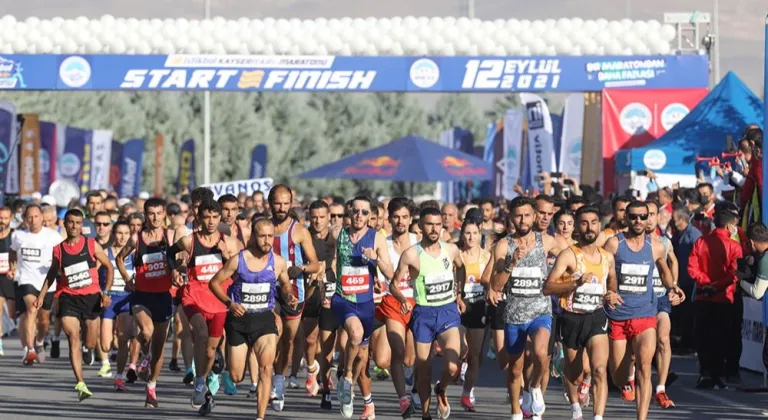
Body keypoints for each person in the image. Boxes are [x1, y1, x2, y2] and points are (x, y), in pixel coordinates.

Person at [209, 218, 297, 420]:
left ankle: (260, 417)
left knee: (266, 369)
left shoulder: (278, 262)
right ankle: (228, 360)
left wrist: (288, 295)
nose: (267, 241)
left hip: (264, 319)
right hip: (239, 320)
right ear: (254, 237)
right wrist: (229, 303)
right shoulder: (238, 260)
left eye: (270, 236)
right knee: (236, 376)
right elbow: (214, 283)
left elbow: (285, 285)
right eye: (262, 236)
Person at [603, 200, 683, 420]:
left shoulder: (656, 246)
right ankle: (625, 378)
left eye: (643, 216)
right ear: (626, 219)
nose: (638, 221)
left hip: (645, 315)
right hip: (618, 316)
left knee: (645, 368)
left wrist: (673, 286)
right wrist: (607, 292)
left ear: (649, 218)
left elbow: (665, 270)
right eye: (633, 217)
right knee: (618, 377)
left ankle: (642, 417)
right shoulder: (614, 244)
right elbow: (602, 271)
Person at [169, 199, 242, 415]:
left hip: (219, 300)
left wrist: (227, 256)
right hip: (194, 296)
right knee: (199, 332)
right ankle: (200, 383)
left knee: (211, 350)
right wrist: (174, 270)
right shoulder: (189, 241)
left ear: (220, 218)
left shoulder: (230, 242)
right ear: (199, 218)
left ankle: (202, 378)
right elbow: (169, 253)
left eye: (215, 217)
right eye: (206, 217)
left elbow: (240, 272)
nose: (211, 222)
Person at [390, 206, 464, 420]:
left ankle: (441, 389)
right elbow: (394, 284)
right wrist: (403, 299)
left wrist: (459, 294)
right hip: (423, 314)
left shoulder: (450, 250)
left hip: (448, 311)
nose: (434, 229)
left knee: (452, 366)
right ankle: (425, 414)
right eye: (429, 224)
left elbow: (460, 268)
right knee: (423, 368)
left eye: (438, 224)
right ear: (421, 226)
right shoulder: (411, 254)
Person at [489, 197, 558, 420]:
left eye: (527, 215)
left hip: (540, 311)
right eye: (518, 215)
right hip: (514, 315)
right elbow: (497, 284)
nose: (523, 219)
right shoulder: (503, 245)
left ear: (534, 216)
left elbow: (572, 256)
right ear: (511, 218)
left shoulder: (546, 241)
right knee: (515, 369)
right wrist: (511, 263)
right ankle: (516, 412)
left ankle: (535, 388)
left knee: (540, 353)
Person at [543, 206, 613, 420]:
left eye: (593, 222)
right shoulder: (568, 255)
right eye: (584, 223)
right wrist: (575, 283)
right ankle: (574, 402)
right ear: (577, 227)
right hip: (571, 318)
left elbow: (612, 283)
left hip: (596, 317)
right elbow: (548, 287)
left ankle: (598, 417)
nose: (589, 227)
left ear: (599, 226)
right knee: (574, 374)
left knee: (600, 370)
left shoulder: (607, 257)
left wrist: (612, 294)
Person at [36, 209, 113, 401]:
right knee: (72, 337)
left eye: (78, 223)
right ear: (65, 224)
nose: (74, 226)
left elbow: (109, 267)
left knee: (89, 340)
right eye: (71, 222)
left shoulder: (91, 244)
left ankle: (88, 350)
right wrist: (41, 296)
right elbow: (52, 274)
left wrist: (106, 293)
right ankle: (80, 382)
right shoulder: (59, 250)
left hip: (91, 298)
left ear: (82, 225)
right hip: (68, 297)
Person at [331, 195, 393, 419]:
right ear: (349, 212)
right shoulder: (338, 233)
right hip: (342, 299)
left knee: (362, 357)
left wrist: (375, 259)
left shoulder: (377, 238)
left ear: (370, 216)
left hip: (366, 303)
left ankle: (350, 389)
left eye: (364, 212)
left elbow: (389, 273)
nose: (359, 215)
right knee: (355, 335)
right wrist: (328, 270)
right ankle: (346, 379)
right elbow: (330, 256)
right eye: (355, 211)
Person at [116, 198, 178, 408]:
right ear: (145, 215)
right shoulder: (137, 238)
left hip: (163, 295)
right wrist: (127, 279)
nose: (155, 218)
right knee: (147, 331)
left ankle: (151, 386)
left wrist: (178, 270)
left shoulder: (169, 236)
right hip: (142, 295)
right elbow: (118, 258)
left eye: (159, 213)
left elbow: (182, 256)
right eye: (150, 213)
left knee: (159, 350)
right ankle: (143, 355)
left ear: (164, 215)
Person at [267, 184, 320, 411]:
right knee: (273, 334)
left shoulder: (299, 230)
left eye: (286, 203)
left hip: (294, 293)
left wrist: (301, 269)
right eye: (278, 203)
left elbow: (315, 263)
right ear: (270, 203)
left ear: (291, 203)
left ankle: (279, 380)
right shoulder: (263, 227)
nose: (282, 207)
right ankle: (268, 378)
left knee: (287, 339)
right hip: (268, 290)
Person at [373, 197, 420, 417]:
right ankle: (403, 398)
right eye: (396, 217)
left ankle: (414, 386)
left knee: (411, 359)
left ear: (410, 219)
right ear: (389, 219)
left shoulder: (418, 241)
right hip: (393, 301)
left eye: (404, 217)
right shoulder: (383, 242)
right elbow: (384, 273)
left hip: (417, 302)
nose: (400, 221)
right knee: (398, 351)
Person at [688, 207, 743, 389]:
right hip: (723, 298)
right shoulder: (734, 246)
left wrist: (705, 282)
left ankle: (705, 373)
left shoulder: (701, 241)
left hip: (703, 297)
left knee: (703, 338)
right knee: (722, 337)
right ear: (729, 225)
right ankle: (718, 375)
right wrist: (717, 285)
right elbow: (734, 273)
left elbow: (692, 268)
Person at [11, 204, 63, 365]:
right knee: (31, 309)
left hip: (47, 283)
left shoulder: (53, 236)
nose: (33, 220)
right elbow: (13, 251)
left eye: (36, 216)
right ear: (25, 219)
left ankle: (40, 341)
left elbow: (62, 255)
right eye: (30, 217)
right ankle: (30, 349)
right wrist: (13, 267)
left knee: (44, 320)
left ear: (42, 217)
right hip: (26, 280)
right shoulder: (19, 235)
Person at [646, 200, 679, 408]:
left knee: (664, 338)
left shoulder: (665, 242)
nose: (647, 219)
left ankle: (661, 388)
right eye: (644, 214)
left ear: (658, 217)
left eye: (651, 214)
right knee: (637, 347)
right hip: (636, 299)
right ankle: (630, 379)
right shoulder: (625, 241)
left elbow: (673, 261)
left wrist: (673, 287)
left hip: (659, 298)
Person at [457, 215, 491, 412]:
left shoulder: (486, 256)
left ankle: (467, 393)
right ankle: (453, 370)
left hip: (479, 306)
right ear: (462, 235)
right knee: (461, 349)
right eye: (467, 233)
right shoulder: (456, 254)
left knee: (474, 356)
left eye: (474, 233)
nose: (471, 237)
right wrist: (457, 298)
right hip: (458, 306)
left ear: (480, 235)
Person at [100, 220, 135, 392]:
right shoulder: (105, 252)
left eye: (126, 233)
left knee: (124, 339)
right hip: (110, 299)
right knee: (106, 345)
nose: (123, 237)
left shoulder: (134, 254)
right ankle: (112, 342)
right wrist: (101, 293)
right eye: (119, 233)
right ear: (114, 234)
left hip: (126, 299)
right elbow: (93, 272)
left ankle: (119, 376)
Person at [669, 206, 702, 353]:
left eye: (674, 218)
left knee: (689, 314)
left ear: (682, 219)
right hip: (682, 280)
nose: (672, 221)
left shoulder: (693, 234)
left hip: (691, 281)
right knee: (682, 314)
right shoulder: (679, 235)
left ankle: (690, 343)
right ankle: (683, 341)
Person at [0, 207, 13, 356]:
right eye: (0, 218)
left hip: (12, 278)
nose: (1, 221)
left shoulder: (15, 236)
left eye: (4, 218)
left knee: (14, 313)